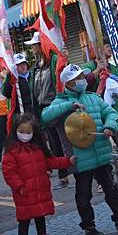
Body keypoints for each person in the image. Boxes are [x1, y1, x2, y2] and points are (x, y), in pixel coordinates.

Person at [41, 64, 118, 235]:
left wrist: (110, 125)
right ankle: (89, 227)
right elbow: (45, 116)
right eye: (78, 79)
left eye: (82, 77)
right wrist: (69, 106)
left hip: (102, 154)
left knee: (111, 190)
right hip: (80, 159)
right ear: (68, 83)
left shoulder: (93, 98)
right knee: (83, 195)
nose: (82, 80)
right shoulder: (59, 102)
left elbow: (111, 113)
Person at [2, 113, 75, 235]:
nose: (24, 135)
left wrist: (67, 161)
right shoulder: (12, 151)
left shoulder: (37, 148)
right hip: (24, 193)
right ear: (15, 131)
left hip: (39, 190)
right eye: (22, 131)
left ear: (33, 132)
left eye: (28, 132)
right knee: (24, 220)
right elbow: (9, 173)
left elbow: (50, 161)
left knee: (40, 217)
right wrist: (19, 187)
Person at [27, 32, 71, 188]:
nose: (32, 48)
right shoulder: (36, 67)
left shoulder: (54, 61)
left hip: (56, 106)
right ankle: (63, 173)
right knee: (53, 141)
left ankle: (73, 168)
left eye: (34, 45)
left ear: (41, 45)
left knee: (64, 139)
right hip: (43, 109)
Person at [82, 40, 118, 145]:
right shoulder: (87, 67)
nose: (110, 48)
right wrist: (97, 70)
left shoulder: (115, 69)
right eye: (107, 46)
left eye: (111, 46)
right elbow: (84, 83)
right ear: (98, 49)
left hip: (117, 111)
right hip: (97, 111)